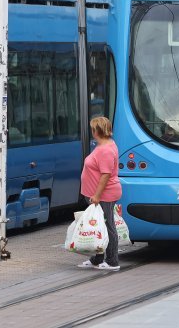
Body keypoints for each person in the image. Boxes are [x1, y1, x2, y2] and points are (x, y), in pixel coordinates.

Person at [77, 116, 122, 271]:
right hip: (98, 194)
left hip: (104, 195)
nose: (92, 131)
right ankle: (97, 258)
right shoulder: (104, 146)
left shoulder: (105, 150)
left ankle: (112, 261)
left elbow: (105, 174)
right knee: (99, 226)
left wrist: (97, 195)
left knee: (108, 226)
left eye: (93, 129)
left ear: (98, 130)